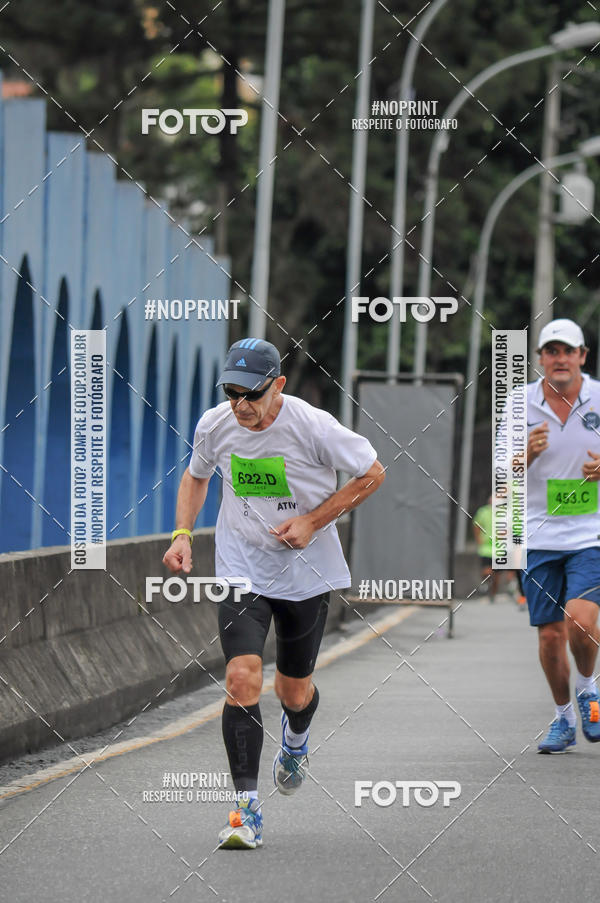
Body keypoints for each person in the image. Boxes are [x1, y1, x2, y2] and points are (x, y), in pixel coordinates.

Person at [163, 338, 385, 847]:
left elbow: (373, 474)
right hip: (243, 568)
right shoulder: (215, 424)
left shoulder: (313, 425)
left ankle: (296, 740)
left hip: (307, 573)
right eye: (231, 392)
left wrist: (313, 520)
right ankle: (245, 811)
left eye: (251, 394)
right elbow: (196, 477)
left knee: (293, 691)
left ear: (277, 385)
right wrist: (182, 533)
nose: (240, 405)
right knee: (242, 678)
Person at [521, 318, 600, 753]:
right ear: (540, 360)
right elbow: (501, 479)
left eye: (568, 351)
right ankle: (563, 718)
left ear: (582, 356)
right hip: (536, 536)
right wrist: (524, 457)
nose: (560, 359)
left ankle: (588, 688)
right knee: (550, 635)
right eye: (551, 351)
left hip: (591, 533)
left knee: (580, 621)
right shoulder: (520, 404)